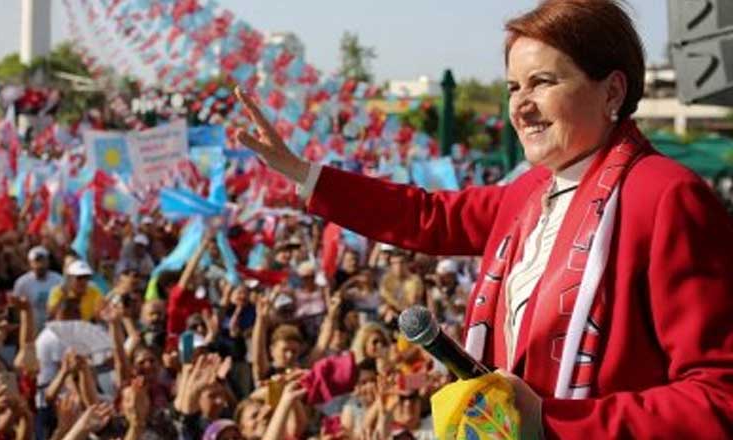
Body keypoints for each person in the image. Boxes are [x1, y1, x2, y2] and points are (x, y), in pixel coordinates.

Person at [233, 0, 733, 437]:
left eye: (542, 82)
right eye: (514, 87)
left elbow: (719, 397)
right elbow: (427, 216)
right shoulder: (528, 192)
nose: (521, 107)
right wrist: (303, 173)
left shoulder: (666, 197)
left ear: (613, 92)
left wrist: (550, 423)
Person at [12, 246, 63, 330]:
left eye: (43, 260)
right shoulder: (22, 282)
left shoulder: (58, 280)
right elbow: (16, 306)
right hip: (32, 327)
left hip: (54, 326)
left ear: (48, 261)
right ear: (30, 263)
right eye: (37, 261)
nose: (40, 265)